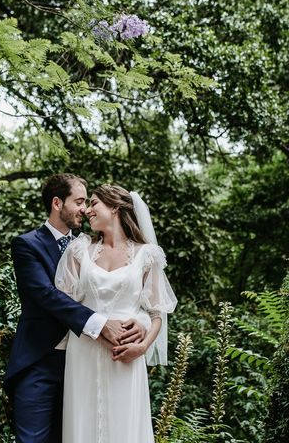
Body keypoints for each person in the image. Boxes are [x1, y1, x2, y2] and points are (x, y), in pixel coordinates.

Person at [4, 174, 146, 443]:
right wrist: (101, 323)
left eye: (88, 202)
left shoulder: (92, 248)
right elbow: (45, 294)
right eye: (79, 201)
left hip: (85, 365)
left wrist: (138, 325)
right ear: (57, 203)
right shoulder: (27, 245)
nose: (86, 209)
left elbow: (122, 293)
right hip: (40, 361)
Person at [55, 184, 177, 442]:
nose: (87, 210)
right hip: (84, 350)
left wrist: (142, 347)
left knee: (124, 425)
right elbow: (63, 303)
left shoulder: (147, 256)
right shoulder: (79, 250)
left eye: (94, 203)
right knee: (83, 422)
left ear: (115, 208)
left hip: (126, 354)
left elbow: (157, 314)